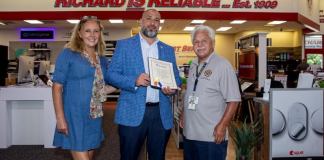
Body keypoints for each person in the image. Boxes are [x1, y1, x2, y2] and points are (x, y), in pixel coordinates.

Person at [107, 9, 181, 160]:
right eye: (149, 18)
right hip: (131, 112)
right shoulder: (125, 45)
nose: (152, 23)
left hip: (160, 114)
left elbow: (176, 79)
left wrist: (171, 89)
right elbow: (111, 74)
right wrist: (134, 81)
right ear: (140, 21)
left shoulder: (167, 49)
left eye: (157, 20)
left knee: (157, 157)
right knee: (129, 156)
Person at [52, 16, 116, 160]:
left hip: (95, 116)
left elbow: (101, 90)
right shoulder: (68, 54)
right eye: (88, 31)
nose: (92, 35)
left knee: (89, 154)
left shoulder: (102, 59)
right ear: (79, 33)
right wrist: (60, 118)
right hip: (74, 116)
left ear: (100, 34)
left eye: (96, 31)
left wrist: (128, 83)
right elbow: (57, 87)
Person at [180, 25, 241, 160]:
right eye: (196, 42)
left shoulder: (223, 65)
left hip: (211, 136)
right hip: (189, 134)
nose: (200, 45)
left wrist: (222, 125)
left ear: (213, 43)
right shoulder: (193, 64)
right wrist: (184, 113)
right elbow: (191, 92)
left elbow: (234, 100)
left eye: (204, 41)